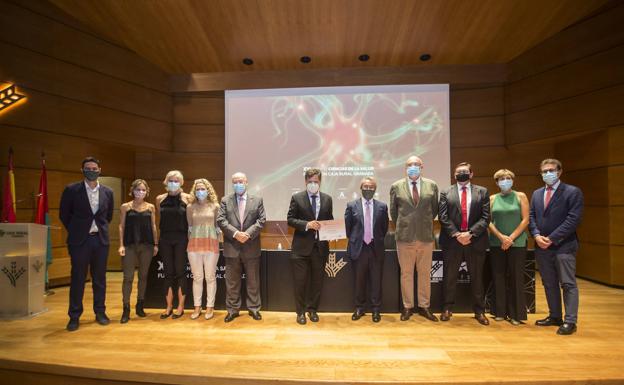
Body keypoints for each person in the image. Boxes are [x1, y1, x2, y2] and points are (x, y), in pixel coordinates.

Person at [529, 159, 583, 335]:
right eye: (544, 171)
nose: (547, 174)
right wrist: (536, 235)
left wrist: (552, 238)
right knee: (549, 283)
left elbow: (573, 220)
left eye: (551, 170)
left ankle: (570, 321)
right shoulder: (537, 194)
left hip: (563, 246)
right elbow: (531, 217)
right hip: (542, 246)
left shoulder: (572, 192)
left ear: (559, 172)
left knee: (567, 283)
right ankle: (554, 316)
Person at [59, 156, 114, 332]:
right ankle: (74, 316)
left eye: (94, 168)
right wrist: (77, 229)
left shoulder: (108, 192)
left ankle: (100, 312)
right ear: (82, 170)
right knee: (78, 278)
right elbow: (64, 215)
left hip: (100, 240)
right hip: (79, 241)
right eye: (88, 168)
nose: (91, 170)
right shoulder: (71, 190)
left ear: (99, 170)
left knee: (100, 279)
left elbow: (108, 216)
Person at [438, 162, 490, 325]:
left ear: (471, 174)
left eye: (465, 171)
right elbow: (443, 216)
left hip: (475, 241)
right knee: (450, 277)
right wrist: (456, 234)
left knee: (477, 277)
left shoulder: (482, 191)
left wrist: (471, 233)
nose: (462, 174)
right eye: (459, 172)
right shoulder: (446, 192)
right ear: (454, 175)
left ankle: (479, 311)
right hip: (452, 241)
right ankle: (447, 308)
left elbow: (486, 217)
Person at [389, 155, 440, 322]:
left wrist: (421, 224)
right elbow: (394, 212)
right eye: (410, 164)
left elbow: (434, 210)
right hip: (404, 237)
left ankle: (424, 306)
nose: (413, 167)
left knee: (425, 273)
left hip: (425, 236)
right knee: (406, 273)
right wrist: (405, 226)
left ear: (422, 166)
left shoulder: (432, 185)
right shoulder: (396, 186)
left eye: (416, 164)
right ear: (405, 167)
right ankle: (408, 306)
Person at [217, 172, 266, 322]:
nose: (238, 184)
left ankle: (254, 309)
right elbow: (221, 219)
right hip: (232, 247)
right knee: (232, 282)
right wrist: (236, 233)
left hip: (251, 246)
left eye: (240, 181)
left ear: (246, 182)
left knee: (253, 281)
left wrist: (248, 234)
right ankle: (232, 310)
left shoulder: (257, 200)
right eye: (235, 182)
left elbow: (262, 220)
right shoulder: (225, 200)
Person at [287, 168, 333, 325]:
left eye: (316, 181)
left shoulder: (327, 199)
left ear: (320, 182)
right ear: (306, 182)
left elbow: (329, 220)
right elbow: (290, 219)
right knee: (300, 282)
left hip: (320, 248)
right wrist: (307, 224)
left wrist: (332, 231)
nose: (313, 184)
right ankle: (300, 312)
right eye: (310, 181)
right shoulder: (297, 197)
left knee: (317, 282)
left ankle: (312, 310)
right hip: (301, 248)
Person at [345, 177, 389, 322]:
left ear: (375, 189)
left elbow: (384, 229)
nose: (368, 189)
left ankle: (376, 310)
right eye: (366, 187)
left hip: (375, 248)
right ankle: (359, 308)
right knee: (359, 280)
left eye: (371, 187)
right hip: (359, 248)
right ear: (361, 188)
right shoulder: (351, 205)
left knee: (376, 281)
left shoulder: (382, 206)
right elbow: (348, 228)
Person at [488, 169, 529, 325]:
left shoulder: (521, 196)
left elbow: (525, 219)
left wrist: (510, 238)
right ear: (497, 182)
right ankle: (499, 312)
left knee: (516, 278)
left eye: (507, 178)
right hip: (496, 243)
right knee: (498, 277)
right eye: (501, 179)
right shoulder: (492, 199)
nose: (505, 181)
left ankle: (516, 314)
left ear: (512, 180)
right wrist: (501, 237)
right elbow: (488, 221)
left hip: (517, 243)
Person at [118, 179, 158, 323]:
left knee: (144, 275)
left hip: (147, 245)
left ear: (147, 191)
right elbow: (121, 226)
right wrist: (121, 245)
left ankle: (140, 304)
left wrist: (155, 244)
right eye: (137, 189)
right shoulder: (125, 207)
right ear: (132, 190)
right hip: (129, 245)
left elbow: (153, 226)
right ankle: (126, 307)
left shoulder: (151, 207)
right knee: (128, 277)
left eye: (143, 190)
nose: (140, 192)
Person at [156, 170, 192, 320]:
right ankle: (169, 306)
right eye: (170, 180)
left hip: (182, 239)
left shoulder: (188, 198)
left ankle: (180, 306)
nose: (173, 183)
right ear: (165, 181)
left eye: (176, 180)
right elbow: (160, 218)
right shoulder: (159, 199)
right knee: (168, 273)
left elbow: (190, 221)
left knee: (181, 272)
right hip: (165, 239)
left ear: (182, 182)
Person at [186, 179, 220, 320]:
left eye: (203, 189)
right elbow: (190, 227)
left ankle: (210, 307)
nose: (200, 191)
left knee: (210, 277)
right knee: (197, 277)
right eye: (198, 189)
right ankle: (197, 307)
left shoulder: (215, 206)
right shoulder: (190, 207)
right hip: (194, 246)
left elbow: (218, 226)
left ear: (208, 190)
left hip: (211, 244)